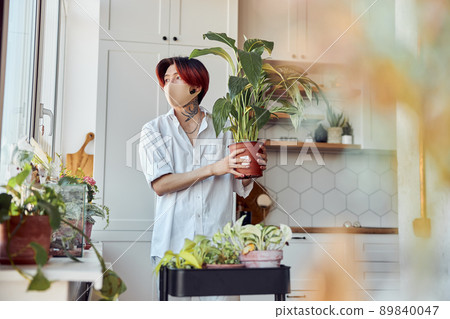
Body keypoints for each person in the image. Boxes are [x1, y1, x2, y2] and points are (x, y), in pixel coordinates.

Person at [139, 57, 267, 300]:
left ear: (196, 87)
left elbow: (241, 186)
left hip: (220, 251)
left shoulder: (227, 128)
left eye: (176, 78)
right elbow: (161, 185)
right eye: (165, 80)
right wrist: (212, 169)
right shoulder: (153, 130)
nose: (168, 85)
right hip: (173, 248)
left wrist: (253, 167)